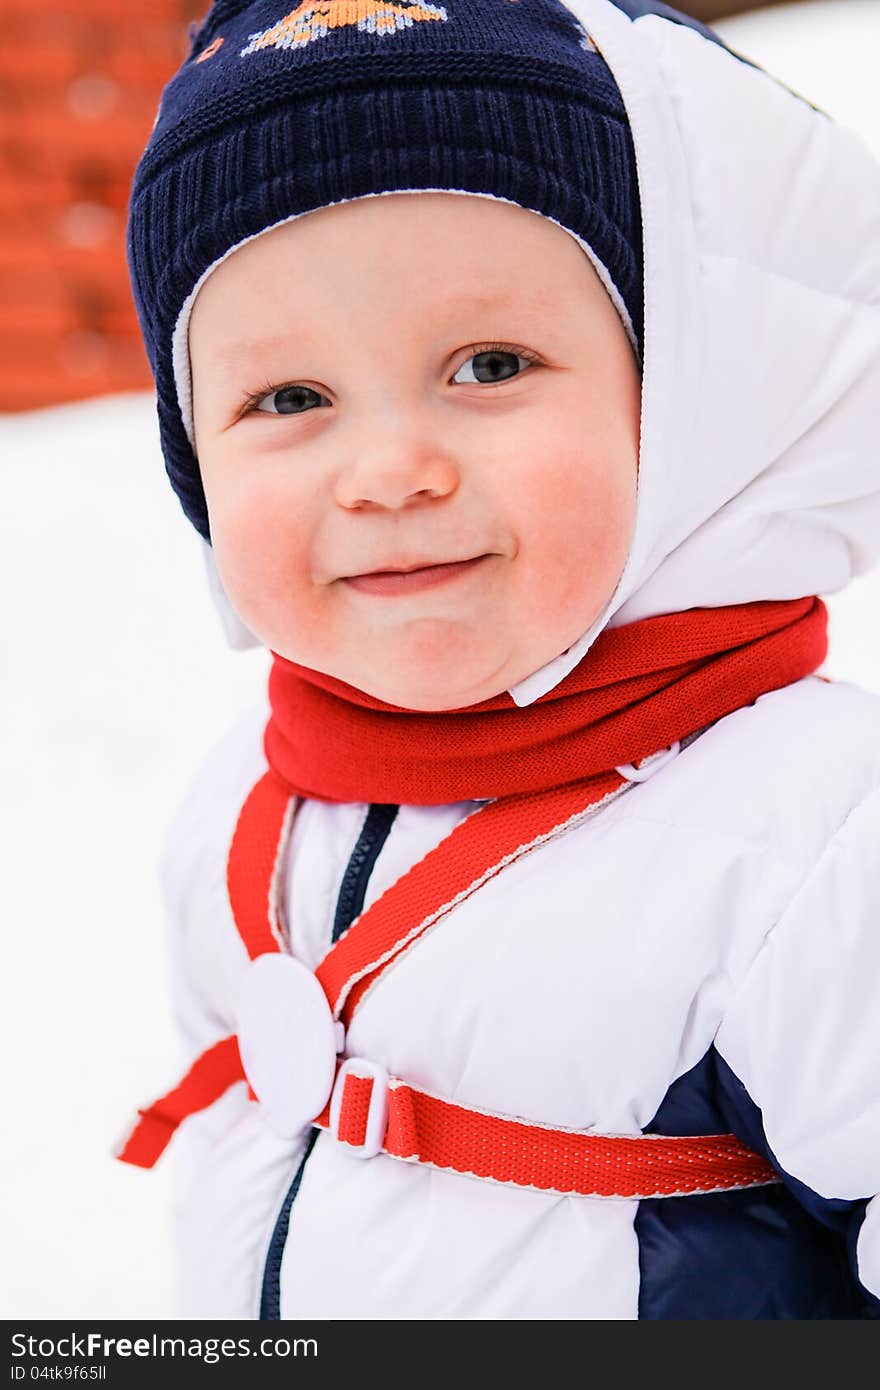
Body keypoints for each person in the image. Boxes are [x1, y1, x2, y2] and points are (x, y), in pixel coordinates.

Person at [116, 0, 880, 1319]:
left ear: (681, 393)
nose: (392, 472)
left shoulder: (810, 835)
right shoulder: (248, 796)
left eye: (489, 363)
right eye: (287, 398)